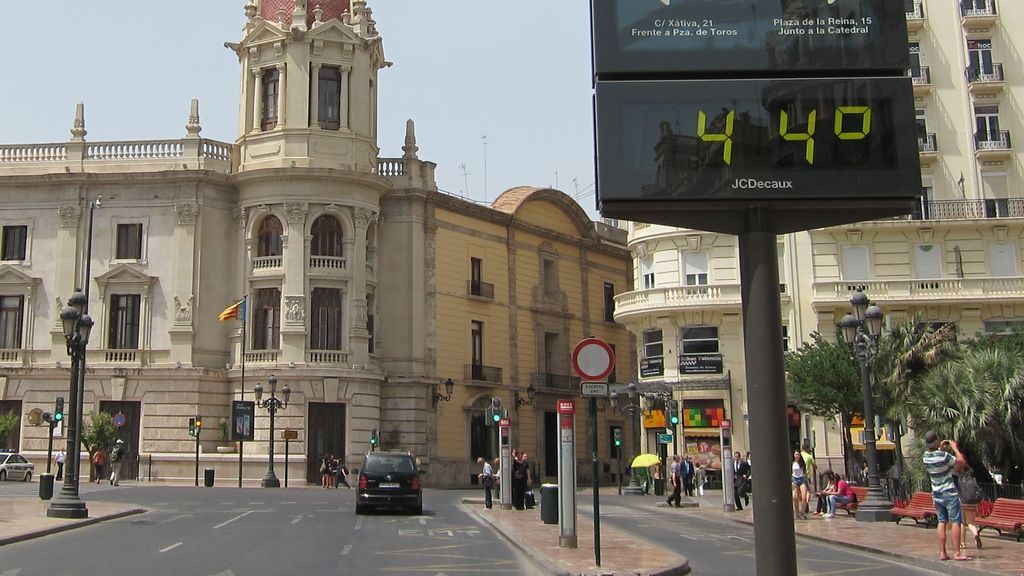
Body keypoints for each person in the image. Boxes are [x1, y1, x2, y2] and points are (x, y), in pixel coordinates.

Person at [922, 431, 971, 561]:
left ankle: (943, 553)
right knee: (956, 521)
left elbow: (937, 457)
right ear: (936, 441)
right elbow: (961, 462)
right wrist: (955, 448)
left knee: (941, 522)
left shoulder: (926, 456)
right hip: (949, 493)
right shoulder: (945, 456)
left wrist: (940, 448)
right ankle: (956, 553)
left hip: (937, 494)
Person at [954, 462, 983, 550]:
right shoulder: (973, 479)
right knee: (971, 522)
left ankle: (962, 543)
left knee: (963, 523)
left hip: (963, 503)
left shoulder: (960, 479)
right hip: (973, 503)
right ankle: (976, 534)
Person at [801, 439, 818, 513]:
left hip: (797, 476)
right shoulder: (809, 456)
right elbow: (815, 467)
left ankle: (802, 505)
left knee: (799, 492)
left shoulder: (799, 455)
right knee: (808, 491)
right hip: (806, 476)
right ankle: (806, 501)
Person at [791, 450, 808, 519]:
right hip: (794, 479)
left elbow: (805, 472)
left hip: (802, 479)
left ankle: (802, 512)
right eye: (796, 454)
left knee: (804, 497)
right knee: (795, 497)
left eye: (798, 455)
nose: (797, 456)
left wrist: (807, 478)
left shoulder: (802, 463)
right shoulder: (792, 463)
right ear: (794, 455)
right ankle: (797, 513)